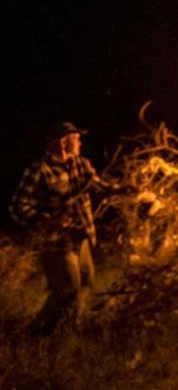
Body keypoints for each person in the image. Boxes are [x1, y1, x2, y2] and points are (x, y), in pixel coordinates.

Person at [9, 122, 108, 334]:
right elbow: (18, 206)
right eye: (76, 137)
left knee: (86, 283)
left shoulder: (81, 164)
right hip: (56, 241)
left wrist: (125, 187)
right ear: (64, 142)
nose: (80, 141)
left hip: (81, 237)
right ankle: (33, 332)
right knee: (66, 289)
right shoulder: (39, 170)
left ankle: (75, 329)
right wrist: (45, 220)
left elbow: (100, 186)